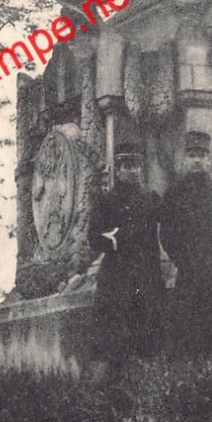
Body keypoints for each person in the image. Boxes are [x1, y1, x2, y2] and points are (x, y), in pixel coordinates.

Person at [160, 130, 212, 356]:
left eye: (201, 154)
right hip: (190, 273)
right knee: (191, 334)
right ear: (184, 158)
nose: (197, 159)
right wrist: (185, 260)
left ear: (209, 158)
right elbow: (167, 234)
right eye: (191, 154)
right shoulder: (175, 192)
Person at [88, 146, 164, 367]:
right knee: (115, 342)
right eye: (127, 167)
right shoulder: (106, 201)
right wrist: (119, 237)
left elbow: (170, 221)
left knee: (147, 337)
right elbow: (94, 238)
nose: (132, 171)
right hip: (117, 277)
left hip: (147, 275)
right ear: (118, 170)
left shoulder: (151, 198)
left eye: (136, 167)